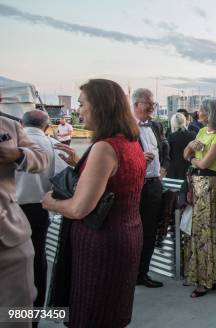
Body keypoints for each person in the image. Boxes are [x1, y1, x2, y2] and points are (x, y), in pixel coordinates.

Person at [42, 78, 146, 328]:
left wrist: (50, 203)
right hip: (127, 235)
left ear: (100, 107)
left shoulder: (104, 148)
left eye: (82, 104)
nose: (79, 110)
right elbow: (117, 180)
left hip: (101, 242)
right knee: (111, 311)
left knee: (91, 312)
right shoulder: (131, 142)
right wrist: (82, 162)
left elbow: (79, 208)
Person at [16, 110, 68, 310]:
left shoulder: (10, 142)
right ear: (46, 127)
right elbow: (62, 179)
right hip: (39, 209)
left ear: (21, 124)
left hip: (9, 211)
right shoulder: (53, 145)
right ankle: (34, 315)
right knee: (37, 260)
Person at [0, 114, 47, 316]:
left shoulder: (9, 125)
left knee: (17, 310)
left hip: (9, 232)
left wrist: (18, 154)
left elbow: (41, 158)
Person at [182, 99, 216, 297]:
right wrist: (190, 150)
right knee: (195, 232)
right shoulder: (202, 132)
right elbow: (185, 153)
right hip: (196, 184)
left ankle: (207, 279)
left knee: (207, 232)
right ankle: (198, 274)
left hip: (208, 185)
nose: (197, 112)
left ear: (209, 113)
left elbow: (204, 164)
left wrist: (192, 157)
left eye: (200, 110)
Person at [132, 88, 169, 288]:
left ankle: (142, 273)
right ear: (136, 104)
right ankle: (129, 273)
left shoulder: (155, 125)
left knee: (149, 232)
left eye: (154, 104)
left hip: (153, 185)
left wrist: (163, 166)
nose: (153, 107)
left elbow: (165, 148)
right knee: (131, 232)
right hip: (134, 187)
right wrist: (138, 160)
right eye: (149, 103)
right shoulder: (126, 127)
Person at [166, 113, 196, 180]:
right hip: (190, 168)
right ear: (184, 121)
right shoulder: (193, 135)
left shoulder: (171, 137)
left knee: (174, 189)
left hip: (174, 170)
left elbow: (168, 154)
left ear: (172, 123)